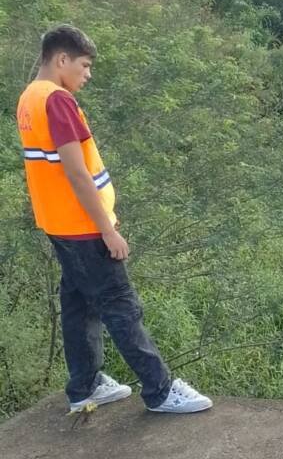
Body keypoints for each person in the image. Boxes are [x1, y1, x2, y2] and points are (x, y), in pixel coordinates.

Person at [16, 24, 212, 415]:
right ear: (61, 60)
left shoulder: (29, 98)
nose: (88, 75)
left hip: (59, 224)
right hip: (84, 227)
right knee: (121, 306)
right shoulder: (57, 100)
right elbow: (75, 172)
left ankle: (84, 386)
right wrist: (107, 229)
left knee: (77, 305)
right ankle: (160, 390)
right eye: (85, 66)